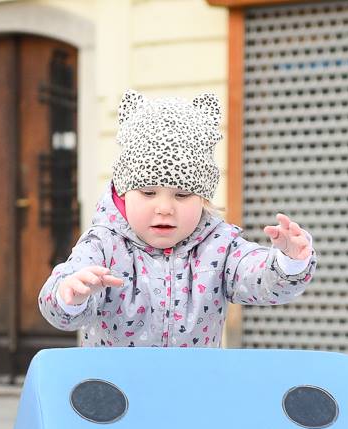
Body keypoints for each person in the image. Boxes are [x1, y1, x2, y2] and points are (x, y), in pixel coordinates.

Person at [38, 90, 317, 348]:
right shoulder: (104, 244)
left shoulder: (218, 246)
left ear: (203, 199)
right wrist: (69, 295)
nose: (165, 208)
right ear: (124, 193)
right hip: (118, 394)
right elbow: (61, 310)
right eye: (148, 192)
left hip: (194, 392)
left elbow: (260, 279)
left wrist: (289, 262)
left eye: (182, 195)